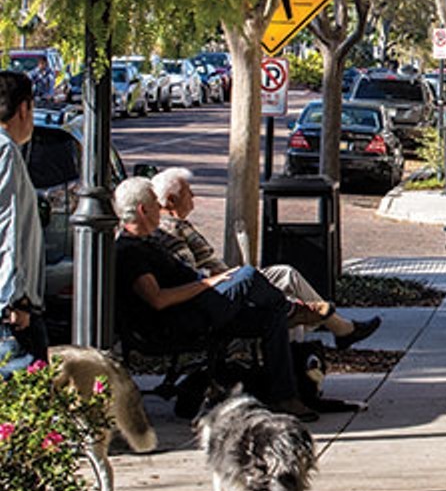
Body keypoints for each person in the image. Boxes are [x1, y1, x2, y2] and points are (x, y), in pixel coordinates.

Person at [112, 178, 315, 420]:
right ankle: (292, 309)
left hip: (199, 304)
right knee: (248, 275)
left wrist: (215, 279)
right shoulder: (129, 251)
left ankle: (284, 395)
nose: (160, 209)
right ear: (142, 210)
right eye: (156, 204)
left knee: (271, 316)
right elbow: (158, 299)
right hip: (179, 320)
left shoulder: (148, 242)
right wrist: (207, 283)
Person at [148, 167, 380, 350]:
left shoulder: (178, 226)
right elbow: (190, 275)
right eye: (188, 191)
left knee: (285, 274)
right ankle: (322, 337)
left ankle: (333, 333)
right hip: (218, 293)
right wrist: (225, 277)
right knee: (282, 303)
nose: (193, 196)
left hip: (226, 283)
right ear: (170, 201)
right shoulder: (169, 232)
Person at [0, 71, 47, 375]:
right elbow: (9, 225)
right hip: (9, 313)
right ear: (24, 108)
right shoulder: (5, 151)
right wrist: (17, 300)